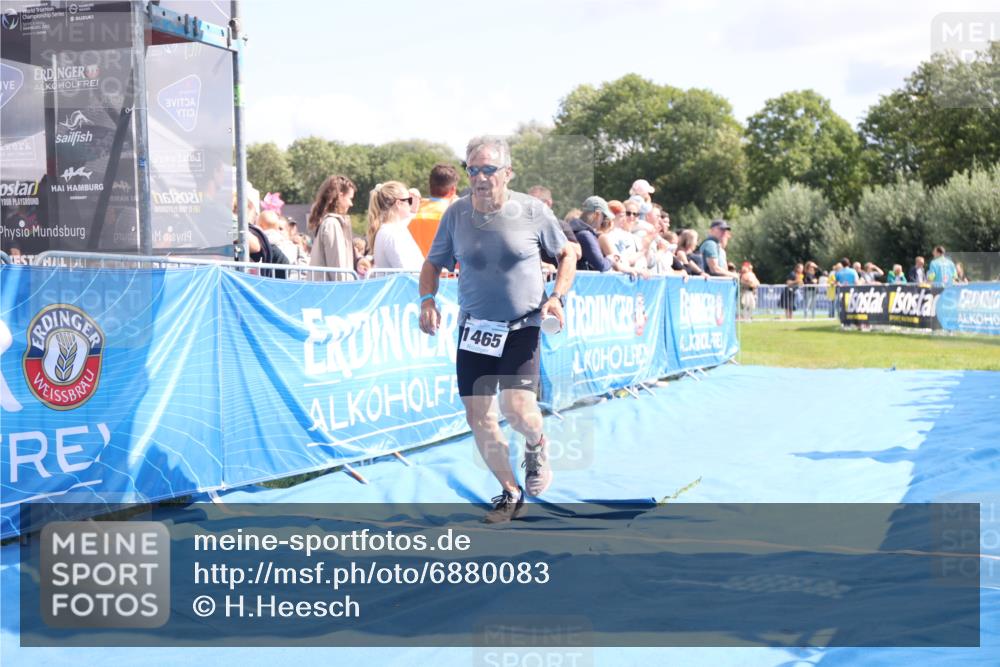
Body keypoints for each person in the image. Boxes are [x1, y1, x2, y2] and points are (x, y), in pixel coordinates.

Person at [418, 136, 576, 523]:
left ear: (508, 173)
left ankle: (537, 444)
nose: (481, 177)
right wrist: (427, 299)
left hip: (522, 325)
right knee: (479, 417)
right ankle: (510, 491)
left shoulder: (533, 211)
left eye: (489, 169)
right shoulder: (455, 215)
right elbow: (432, 263)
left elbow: (567, 252)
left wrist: (557, 296)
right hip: (475, 329)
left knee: (518, 410)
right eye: (473, 169)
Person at [308, 175, 359, 281]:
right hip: (333, 292)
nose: (351, 204)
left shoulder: (328, 223)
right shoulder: (332, 224)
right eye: (350, 198)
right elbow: (338, 268)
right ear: (340, 196)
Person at [367, 181, 425, 271]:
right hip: (409, 284)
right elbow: (407, 271)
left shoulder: (390, 230)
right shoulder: (393, 233)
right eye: (409, 200)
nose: (411, 203)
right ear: (398, 204)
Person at [409, 164, 460, 258]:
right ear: (453, 190)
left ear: (430, 186)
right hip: (444, 271)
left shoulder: (413, 211)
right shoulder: (454, 216)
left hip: (415, 270)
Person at [569, 196, 615, 272]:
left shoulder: (571, 228)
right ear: (597, 214)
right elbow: (602, 266)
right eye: (604, 217)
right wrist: (610, 259)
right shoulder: (585, 235)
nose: (603, 221)